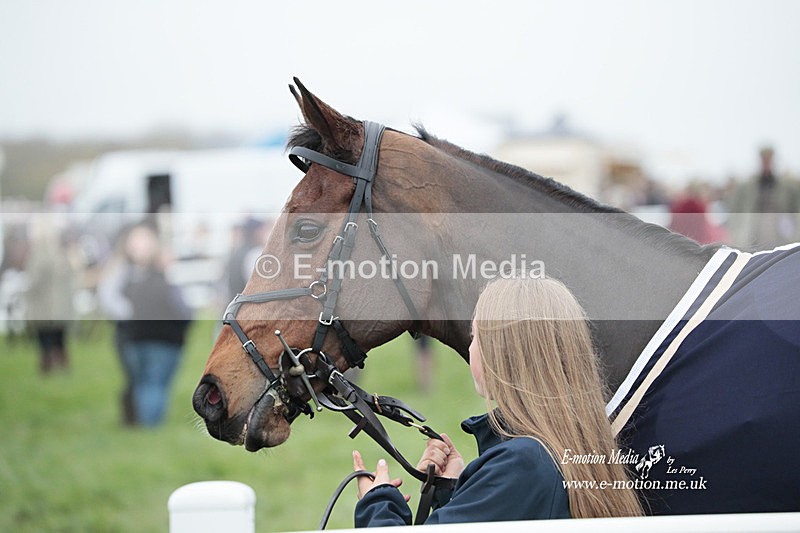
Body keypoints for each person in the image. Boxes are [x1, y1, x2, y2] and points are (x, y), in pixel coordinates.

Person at [352, 276, 643, 525]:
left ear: (503, 354)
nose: (470, 347)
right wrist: (457, 489)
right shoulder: (569, 443)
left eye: (475, 335)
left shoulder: (522, 465)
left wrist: (377, 504)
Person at [119, 224, 191, 427]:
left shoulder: (131, 282)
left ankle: (144, 423)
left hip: (134, 340)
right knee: (156, 386)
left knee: (143, 384)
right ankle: (151, 426)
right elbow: (183, 313)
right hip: (163, 342)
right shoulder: (166, 285)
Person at [24, 213, 75, 374]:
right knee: (59, 338)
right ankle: (61, 365)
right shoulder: (61, 250)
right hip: (61, 305)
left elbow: (35, 279)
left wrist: (26, 292)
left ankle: (48, 366)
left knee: (45, 338)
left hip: (44, 305)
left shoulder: (39, 252)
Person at [727, 145, 800, 250]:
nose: (766, 162)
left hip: (778, 229)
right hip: (754, 229)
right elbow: (736, 210)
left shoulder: (786, 187)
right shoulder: (747, 186)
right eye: (764, 159)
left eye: (769, 159)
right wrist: (737, 233)